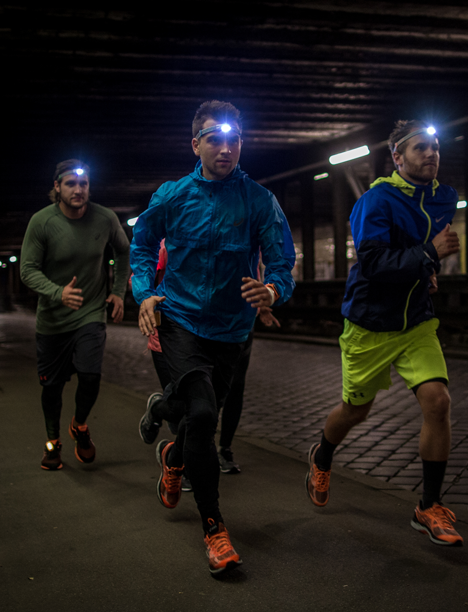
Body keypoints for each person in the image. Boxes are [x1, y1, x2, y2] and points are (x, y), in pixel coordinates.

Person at [130, 100, 295, 575]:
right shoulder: (172, 195)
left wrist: (272, 290)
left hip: (232, 329)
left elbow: (282, 259)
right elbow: (141, 247)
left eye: (234, 139)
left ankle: (169, 440)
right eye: (214, 139)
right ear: (196, 143)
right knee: (202, 414)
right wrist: (145, 294)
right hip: (178, 320)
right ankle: (214, 528)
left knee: (198, 418)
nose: (226, 148)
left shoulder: (260, 200)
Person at [304, 120, 464, 547]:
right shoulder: (376, 201)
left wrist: (428, 271)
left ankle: (429, 507)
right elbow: (373, 264)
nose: (430, 154)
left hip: (415, 321)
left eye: (434, 147)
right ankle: (322, 454)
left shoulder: (444, 198)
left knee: (438, 400)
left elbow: (419, 257)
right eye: (419, 148)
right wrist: (429, 254)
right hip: (370, 323)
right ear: (398, 157)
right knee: (356, 412)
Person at [140, 237, 294, 480]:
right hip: (179, 331)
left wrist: (263, 302)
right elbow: (145, 273)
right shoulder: (170, 239)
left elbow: (255, 266)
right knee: (192, 405)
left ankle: (208, 456)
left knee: (222, 396)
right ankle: (163, 417)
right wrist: (146, 300)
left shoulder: (239, 225)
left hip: (234, 325)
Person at [20, 159, 130, 471]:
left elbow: (123, 251)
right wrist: (57, 292)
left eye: (83, 184)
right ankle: (53, 443)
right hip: (53, 320)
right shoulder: (42, 222)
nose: (79, 190)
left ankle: (80, 425)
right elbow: (27, 271)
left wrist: (118, 292)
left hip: (91, 312)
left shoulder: (105, 218)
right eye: (70, 184)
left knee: (91, 375)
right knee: (52, 388)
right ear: (57, 187)